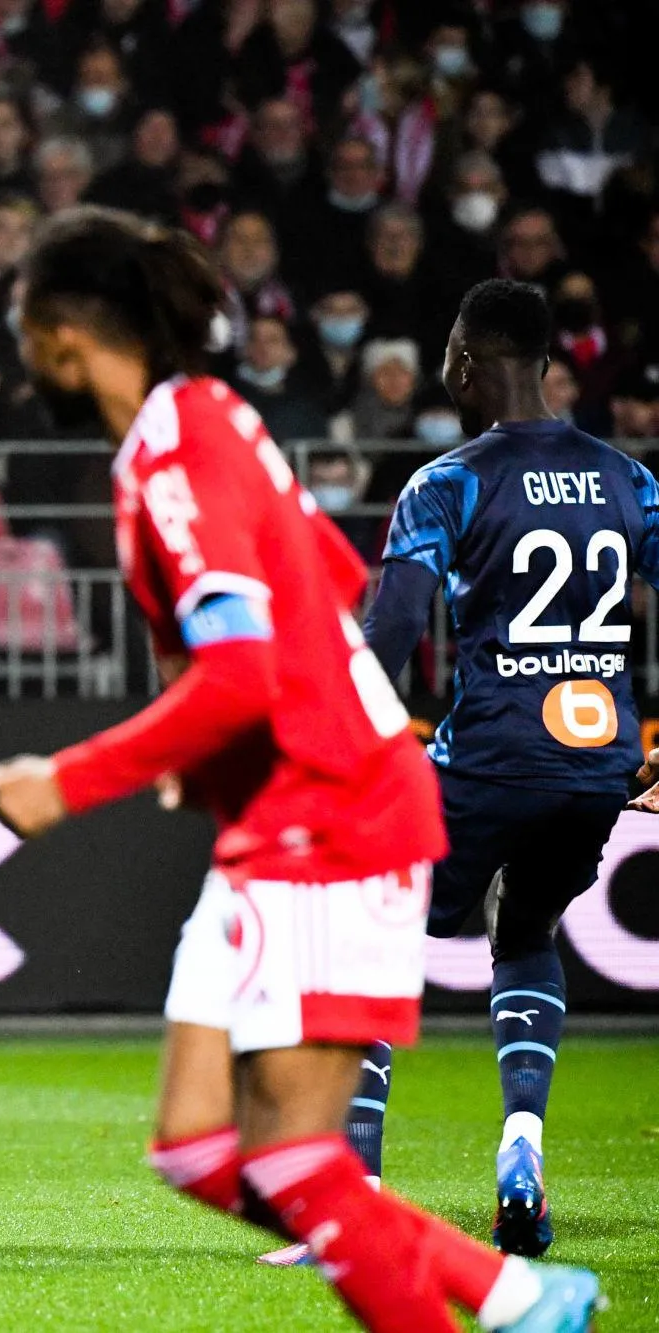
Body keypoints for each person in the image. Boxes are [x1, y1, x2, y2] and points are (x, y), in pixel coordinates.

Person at [0, 208, 600, 1333]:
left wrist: (64, 779)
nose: (22, 360)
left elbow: (245, 668)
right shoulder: (208, 420)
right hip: (290, 810)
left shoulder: (173, 444)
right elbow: (326, 566)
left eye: (23, 333)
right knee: (198, 1147)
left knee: (298, 1162)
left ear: (61, 333)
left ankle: (497, 1298)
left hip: (329, 818)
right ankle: (506, 1288)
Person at [336, 279, 659, 1267]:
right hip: (594, 756)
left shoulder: (447, 482)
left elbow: (386, 635)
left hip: (489, 749)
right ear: (549, 362)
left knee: (358, 927)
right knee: (522, 930)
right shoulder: (628, 481)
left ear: (465, 363)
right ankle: (519, 1142)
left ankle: (351, 1198)